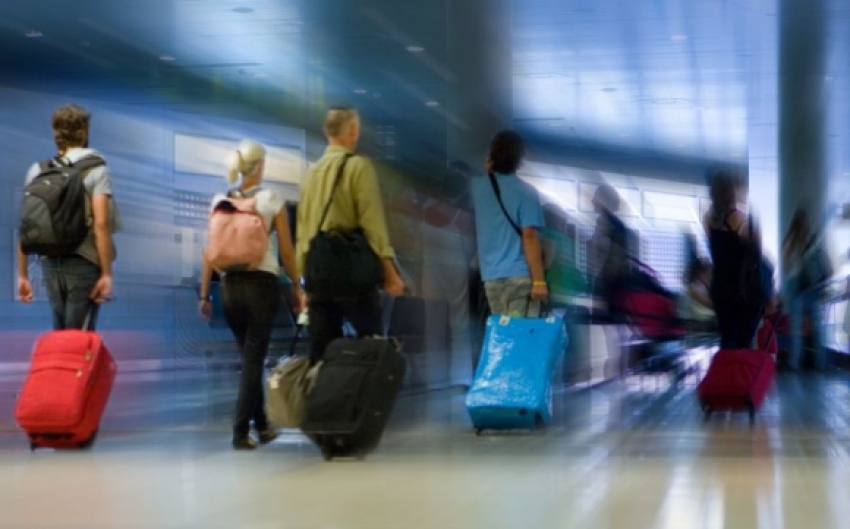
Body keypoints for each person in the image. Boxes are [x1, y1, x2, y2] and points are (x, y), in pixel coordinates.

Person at [198, 140, 303, 450]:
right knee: (254, 359)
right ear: (259, 167)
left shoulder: (220, 201)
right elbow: (286, 250)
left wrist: (205, 295)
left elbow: (209, 252)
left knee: (249, 356)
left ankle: (263, 426)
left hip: (229, 286)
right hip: (261, 285)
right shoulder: (272, 200)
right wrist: (297, 288)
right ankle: (240, 431)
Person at [296, 107, 405, 362]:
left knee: (322, 354)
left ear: (326, 132)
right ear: (353, 131)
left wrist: (304, 283)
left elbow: (303, 232)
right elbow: (373, 224)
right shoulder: (358, 167)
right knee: (372, 345)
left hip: (318, 275)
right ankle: (364, 399)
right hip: (351, 273)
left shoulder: (311, 173)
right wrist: (390, 273)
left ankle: (325, 399)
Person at [17, 104, 118, 330]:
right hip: (84, 263)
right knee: (79, 338)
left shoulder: (38, 170)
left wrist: (23, 275)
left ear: (56, 133)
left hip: (50, 263)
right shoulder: (96, 169)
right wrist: (107, 274)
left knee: (61, 333)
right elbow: (101, 224)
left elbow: (26, 226)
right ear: (85, 130)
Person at [470, 130, 547, 317]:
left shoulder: (476, 187)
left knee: (503, 335)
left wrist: (490, 170)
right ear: (519, 158)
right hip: (519, 275)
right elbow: (529, 237)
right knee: (520, 335)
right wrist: (539, 281)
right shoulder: (526, 193)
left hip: (491, 277)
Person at [702, 169, 766, 349]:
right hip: (742, 291)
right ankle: (738, 376)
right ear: (732, 191)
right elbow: (758, 257)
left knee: (727, 339)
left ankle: (725, 374)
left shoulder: (707, 219)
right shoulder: (743, 221)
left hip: (720, 289)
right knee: (742, 343)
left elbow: (717, 251)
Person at [782, 207, 833, 370]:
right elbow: (825, 265)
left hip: (796, 289)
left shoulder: (791, 240)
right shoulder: (813, 239)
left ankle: (794, 363)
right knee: (818, 330)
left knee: (796, 330)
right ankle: (820, 364)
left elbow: (786, 265)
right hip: (813, 288)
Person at [678, 259, 717, 332]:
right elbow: (708, 304)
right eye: (708, 274)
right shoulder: (692, 288)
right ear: (699, 274)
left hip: (700, 317)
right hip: (693, 320)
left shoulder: (701, 286)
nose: (710, 277)